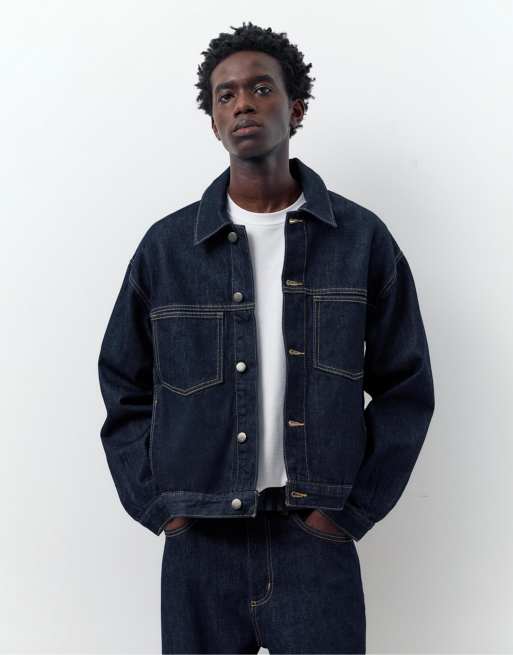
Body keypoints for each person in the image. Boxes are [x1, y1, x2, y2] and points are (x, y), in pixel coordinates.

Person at [97, 21, 435, 654]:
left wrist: (347, 514)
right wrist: (163, 508)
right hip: (201, 543)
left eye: (260, 88)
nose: (243, 104)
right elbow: (123, 384)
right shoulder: (167, 250)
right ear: (213, 121)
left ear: (295, 107)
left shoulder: (361, 240)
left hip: (315, 539)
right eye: (225, 95)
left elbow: (407, 388)